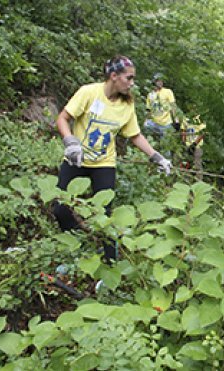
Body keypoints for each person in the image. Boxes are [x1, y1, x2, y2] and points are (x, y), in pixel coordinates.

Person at [54, 55, 171, 261]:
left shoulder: (127, 105)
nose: (132, 83)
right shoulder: (89, 93)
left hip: (104, 165)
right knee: (60, 209)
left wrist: (157, 157)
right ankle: (79, 246)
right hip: (76, 159)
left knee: (104, 216)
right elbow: (63, 118)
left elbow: (135, 135)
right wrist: (70, 142)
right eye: (129, 78)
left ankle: (110, 264)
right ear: (113, 76)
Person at [181, 113, 206, 180]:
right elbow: (184, 131)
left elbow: (202, 133)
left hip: (197, 146)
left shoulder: (200, 119)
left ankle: (199, 181)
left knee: (197, 164)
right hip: (187, 145)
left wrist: (194, 144)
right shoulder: (186, 118)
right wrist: (183, 142)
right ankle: (186, 179)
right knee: (186, 163)